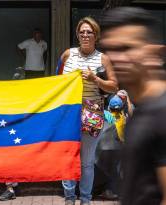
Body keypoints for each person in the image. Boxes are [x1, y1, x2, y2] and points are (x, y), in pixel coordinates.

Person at [100, 7, 166, 205]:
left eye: (126, 48)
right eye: (110, 49)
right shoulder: (140, 110)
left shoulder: (162, 115)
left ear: (154, 52)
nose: (116, 58)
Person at [56, 16, 118, 205]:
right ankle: (69, 198)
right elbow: (57, 82)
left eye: (89, 32)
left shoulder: (103, 58)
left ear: (96, 35)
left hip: (92, 114)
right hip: (68, 114)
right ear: (77, 34)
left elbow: (114, 86)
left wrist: (96, 80)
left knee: (86, 162)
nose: (85, 35)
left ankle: (85, 199)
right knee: (68, 159)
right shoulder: (67, 55)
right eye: (82, 31)